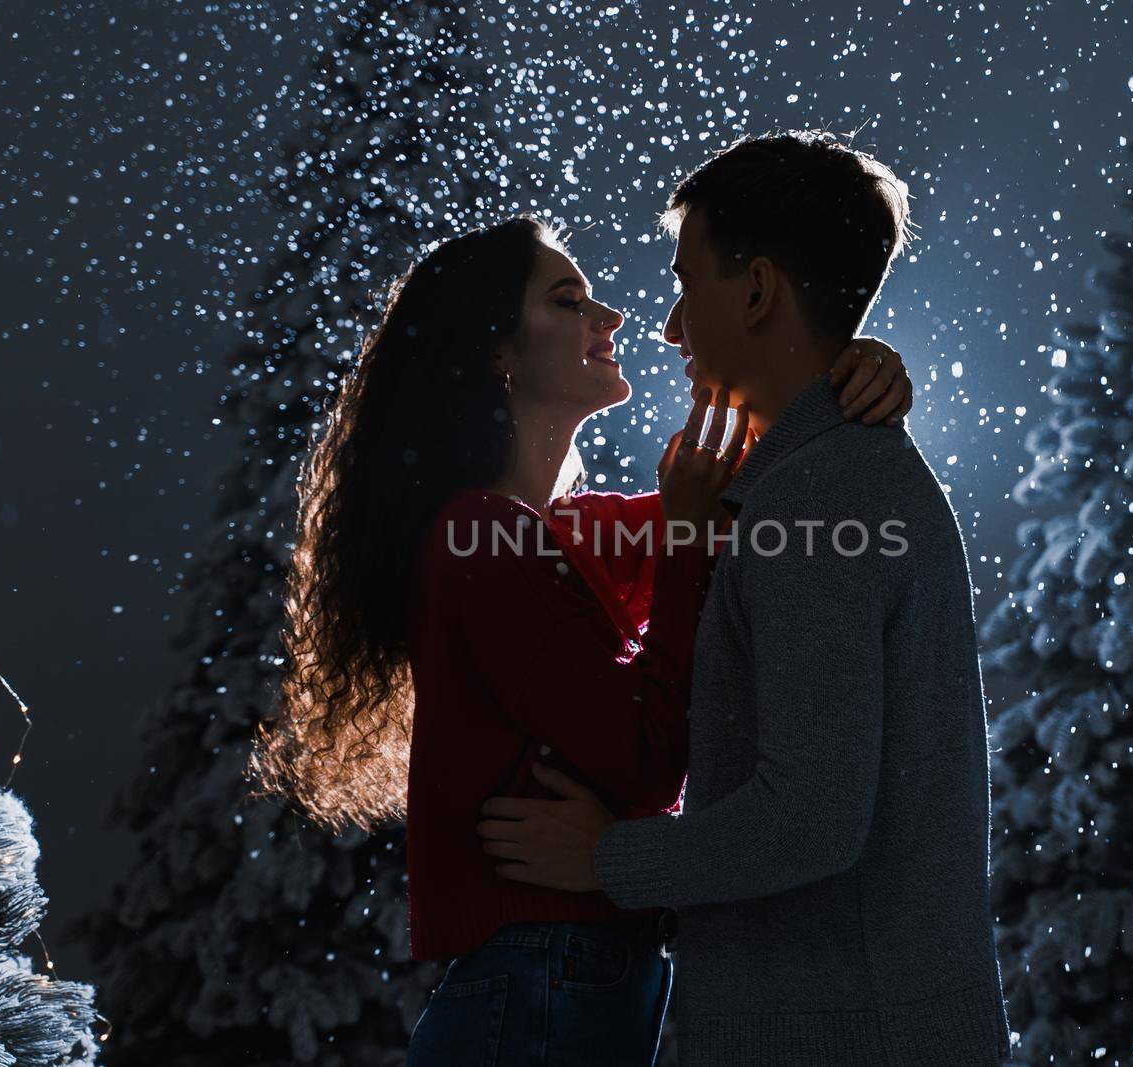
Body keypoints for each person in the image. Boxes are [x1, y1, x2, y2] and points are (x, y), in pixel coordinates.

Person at [244, 212, 913, 1066]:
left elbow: (754, 489)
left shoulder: (549, 532)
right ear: (497, 354)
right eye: (569, 300)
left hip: (563, 978)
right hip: (540, 979)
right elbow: (644, 760)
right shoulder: (477, 539)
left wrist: (851, 375)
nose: (613, 317)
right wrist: (682, 539)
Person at [475, 132, 1014, 1066]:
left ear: (759, 291)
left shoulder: (823, 496)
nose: (673, 327)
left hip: (844, 1038)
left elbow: (809, 817)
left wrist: (606, 859)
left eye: (690, 284)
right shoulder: (806, 484)